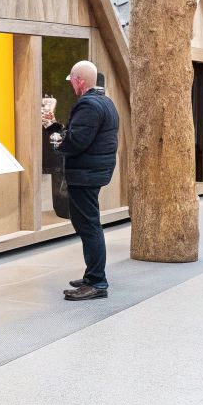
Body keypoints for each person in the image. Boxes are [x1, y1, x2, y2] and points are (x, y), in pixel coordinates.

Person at [55, 60, 119, 301]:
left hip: (85, 174)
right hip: (93, 172)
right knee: (87, 226)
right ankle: (92, 274)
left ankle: (96, 282)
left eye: (71, 80)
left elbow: (77, 141)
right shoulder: (105, 101)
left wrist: (59, 143)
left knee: (89, 227)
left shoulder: (88, 104)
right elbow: (83, 136)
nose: (71, 84)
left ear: (79, 81)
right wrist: (57, 129)